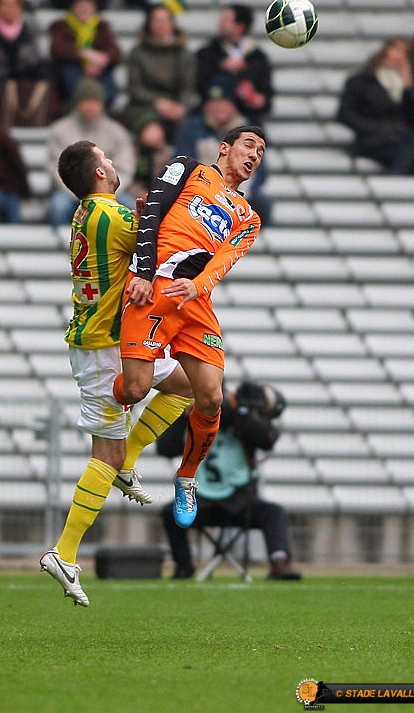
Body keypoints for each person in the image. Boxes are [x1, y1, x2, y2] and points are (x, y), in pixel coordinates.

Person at [40, 140, 193, 606]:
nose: (112, 161)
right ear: (99, 174)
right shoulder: (108, 215)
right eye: (105, 158)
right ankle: (64, 553)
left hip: (117, 341)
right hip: (102, 349)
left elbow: (138, 237)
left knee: (189, 386)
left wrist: (146, 216)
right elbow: (160, 243)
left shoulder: (90, 213)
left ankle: (130, 458)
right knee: (104, 454)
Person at [112, 125, 266, 531]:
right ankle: (107, 397)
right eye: (249, 145)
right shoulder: (186, 168)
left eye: (261, 152)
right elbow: (152, 213)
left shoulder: (249, 217)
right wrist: (144, 273)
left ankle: (186, 478)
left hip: (195, 300)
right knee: (134, 390)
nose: (254, 155)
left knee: (212, 397)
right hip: (155, 287)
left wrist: (198, 286)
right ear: (224, 147)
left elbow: (224, 260)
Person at [159, 382, 301, 580]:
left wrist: (239, 411)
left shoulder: (242, 418)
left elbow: (266, 439)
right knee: (170, 512)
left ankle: (280, 561)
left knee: (273, 513)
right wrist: (186, 416)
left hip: (239, 499)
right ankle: (183, 564)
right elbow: (165, 448)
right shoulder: (192, 419)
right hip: (200, 499)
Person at [174, 82, 273, 227]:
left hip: (241, 192)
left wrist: (239, 194)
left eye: (224, 102)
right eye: (214, 102)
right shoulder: (192, 129)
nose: (219, 107)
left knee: (262, 204)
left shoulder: (249, 131)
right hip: (201, 190)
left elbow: (260, 171)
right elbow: (183, 163)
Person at [337, 37, 414, 174]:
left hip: (402, 141)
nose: (398, 56)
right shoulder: (361, 82)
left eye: (404, 53)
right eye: (396, 50)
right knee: (412, 155)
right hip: (374, 141)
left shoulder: (408, 84)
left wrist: (409, 87)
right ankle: (396, 179)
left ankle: (396, 179)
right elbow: (345, 114)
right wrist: (378, 129)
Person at [47, 77, 135, 226]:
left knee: (131, 208)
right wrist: (81, 193)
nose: (90, 107)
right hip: (69, 193)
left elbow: (125, 168)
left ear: (102, 104)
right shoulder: (59, 131)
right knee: (58, 208)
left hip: (111, 193)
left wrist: (106, 193)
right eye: (86, 101)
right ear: (77, 103)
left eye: (95, 102)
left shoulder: (117, 132)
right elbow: (55, 168)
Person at [122, 4, 197, 145]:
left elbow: (188, 87)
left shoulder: (183, 53)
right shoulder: (138, 52)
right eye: (156, 20)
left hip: (177, 106)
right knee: (152, 135)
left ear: (172, 23)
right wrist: (158, 102)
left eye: (165, 20)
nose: (161, 25)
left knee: (189, 131)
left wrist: (181, 107)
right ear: (148, 24)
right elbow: (135, 88)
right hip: (143, 107)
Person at [196, 5, 272, 127]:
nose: (220, 23)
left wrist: (259, 100)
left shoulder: (257, 57)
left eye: (226, 19)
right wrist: (220, 67)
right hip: (211, 121)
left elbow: (266, 96)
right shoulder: (208, 53)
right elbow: (198, 84)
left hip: (246, 118)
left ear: (240, 26)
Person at [49, 0, 122, 108]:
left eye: (87, 8)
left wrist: (100, 59)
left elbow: (115, 52)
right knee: (69, 73)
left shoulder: (101, 27)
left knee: (107, 86)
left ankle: (101, 107)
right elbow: (58, 49)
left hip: (98, 69)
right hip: (73, 67)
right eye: (80, 8)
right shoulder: (61, 26)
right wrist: (83, 53)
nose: (84, 11)